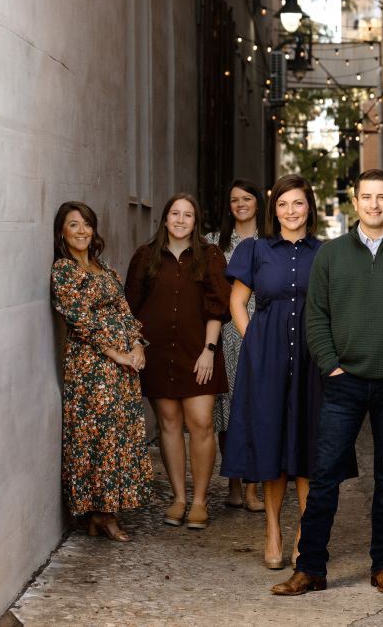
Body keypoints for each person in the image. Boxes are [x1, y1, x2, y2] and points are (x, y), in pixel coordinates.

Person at [270, 170, 383, 597]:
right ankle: (310, 568)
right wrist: (331, 365)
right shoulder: (332, 255)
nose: (374, 205)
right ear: (356, 201)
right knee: (324, 475)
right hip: (343, 383)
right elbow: (316, 316)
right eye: (367, 197)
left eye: (382, 197)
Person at [221, 174, 344, 570]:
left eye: (298, 203)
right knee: (272, 444)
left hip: (313, 360)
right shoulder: (255, 250)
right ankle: (272, 530)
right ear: (274, 211)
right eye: (283, 204)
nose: (291, 211)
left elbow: (335, 306)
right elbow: (237, 302)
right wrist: (254, 342)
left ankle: (305, 535)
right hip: (267, 361)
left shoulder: (326, 252)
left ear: (310, 207)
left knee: (308, 446)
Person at [125, 193, 231, 529]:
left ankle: (199, 500)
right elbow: (130, 307)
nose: (181, 220)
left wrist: (209, 350)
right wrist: (137, 345)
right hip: (157, 354)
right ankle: (179, 498)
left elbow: (218, 307)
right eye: (175, 213)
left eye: (188, 214)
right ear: (165, 218)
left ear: (195, 221)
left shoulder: (209, 256)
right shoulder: (145, 256)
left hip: (198, 352)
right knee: (169, 424)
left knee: (201, 423)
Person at [50, 201, 152, 542]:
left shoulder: (101, 266)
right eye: (73, 224)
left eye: (87, 224)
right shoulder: (64, 271)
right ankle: (102, 513)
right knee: (97, 437)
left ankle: (104, 512)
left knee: (118, 434)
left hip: (121, 367)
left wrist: (136, 345)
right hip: (91, 368)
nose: (82, 231)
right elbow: (80, 320)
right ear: (62, 232)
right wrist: (116, 354)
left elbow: (124, 310)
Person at [204, 180, 265, 513]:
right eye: (234, 200)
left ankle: (254, 487)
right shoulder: (213, 242)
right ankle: (234, 484)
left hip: (262, 330)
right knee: (228, 411)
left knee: (259, 408)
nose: (241, 204)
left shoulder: (270, 240)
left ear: (257, 202)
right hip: (224, 333)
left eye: (247, 198)